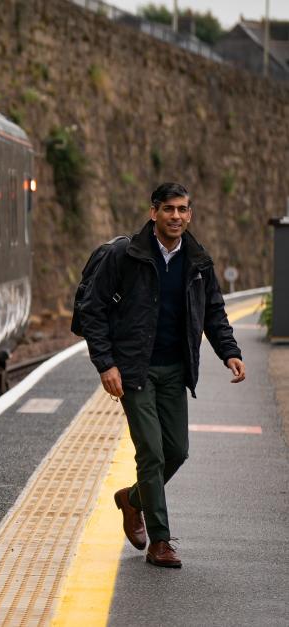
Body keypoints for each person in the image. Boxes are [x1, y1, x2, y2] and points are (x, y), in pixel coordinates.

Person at [79, 182, 245, 568]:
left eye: (183, 210)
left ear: (190, 214)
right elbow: (92, 309)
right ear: (153, 212)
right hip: (135, 369)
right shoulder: (126, 254)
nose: (176, 217)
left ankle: (131, 499)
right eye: (168, 209)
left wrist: (230, 352)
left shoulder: (198, 260)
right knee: (151, 453)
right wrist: (106, 364)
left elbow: (213, 311)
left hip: (175, 369)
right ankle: (161, 541)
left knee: (177, 451)